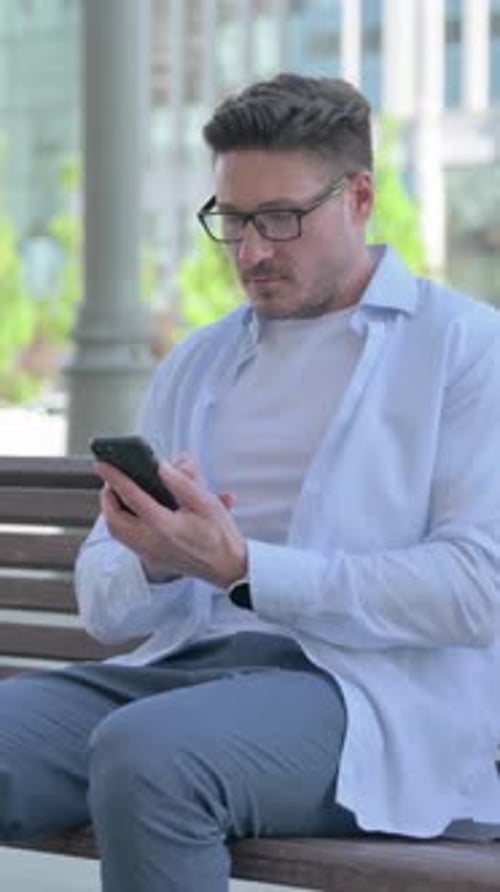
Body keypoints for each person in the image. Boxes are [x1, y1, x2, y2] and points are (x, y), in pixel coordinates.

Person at [2, 72, 500, 891]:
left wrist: (243, 569)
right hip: (183, 670)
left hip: (370, 696)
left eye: (281, 218)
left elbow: (475, 589)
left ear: (360, 197)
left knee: (153, 755)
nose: (252, 251)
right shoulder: (198, 362)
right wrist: (160, 559)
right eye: (233, 219)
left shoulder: (465, 349)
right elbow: (103, 603)